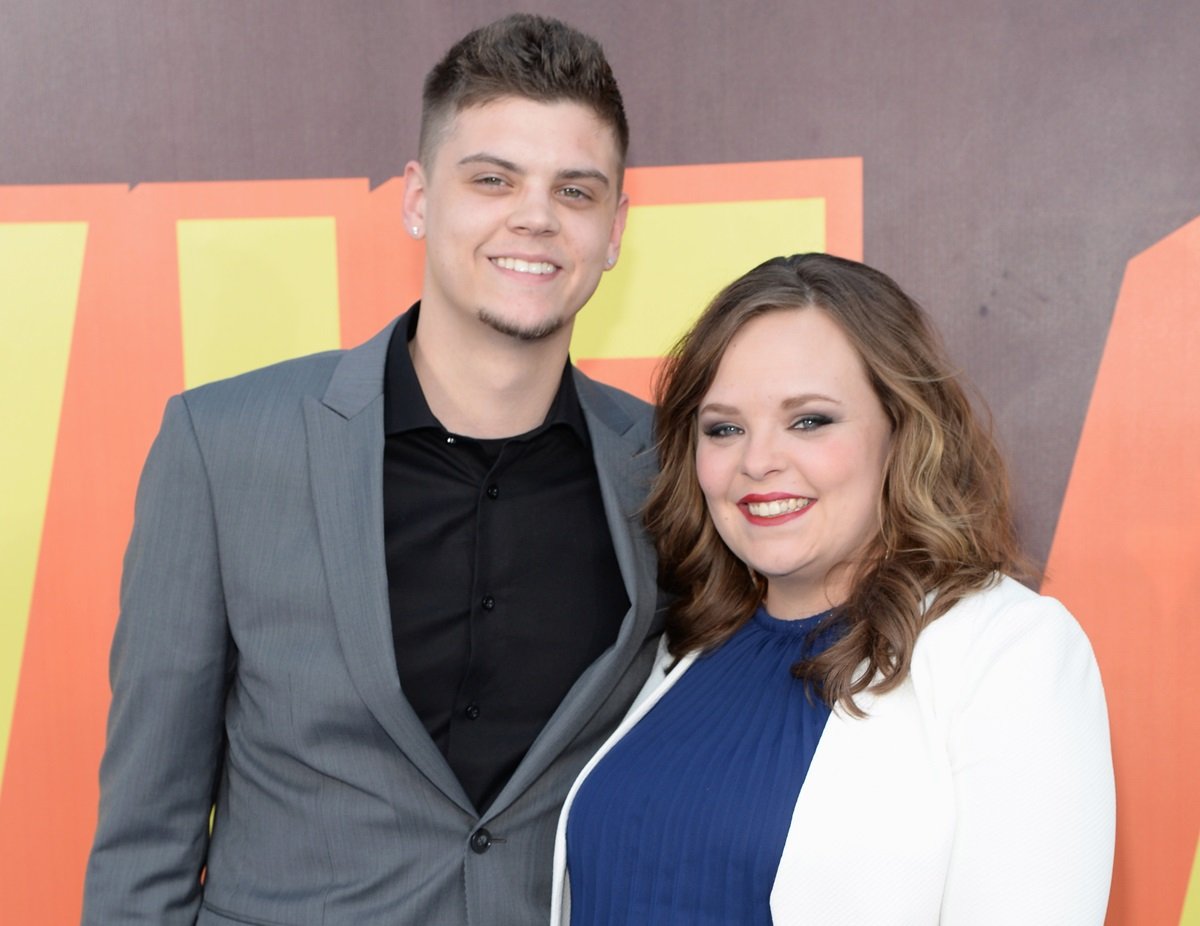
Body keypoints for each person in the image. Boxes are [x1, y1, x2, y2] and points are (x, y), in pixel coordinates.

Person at [83, 14, 664, 926]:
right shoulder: (224, 446)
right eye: (493, 179)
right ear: (418, 198)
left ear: (616, 229)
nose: (537, 217)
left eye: (576, 190)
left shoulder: (665, 470)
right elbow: (142, 845)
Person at [551, 253, 1115, 925]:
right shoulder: (682, 647)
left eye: (810, 420)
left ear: (902, 429)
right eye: (724, 428)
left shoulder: (1008, 653)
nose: (757, 461)